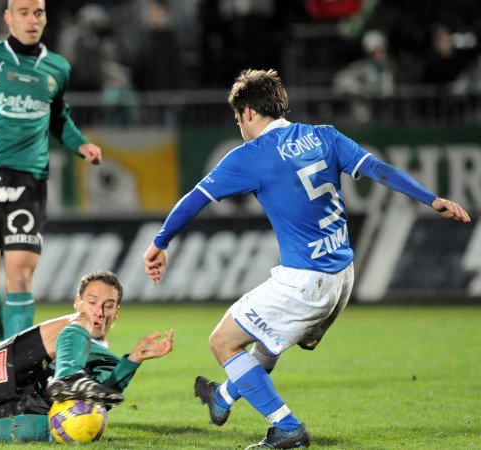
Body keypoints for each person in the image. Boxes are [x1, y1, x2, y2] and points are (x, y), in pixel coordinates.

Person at [143, 69, 471, 449]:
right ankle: (224, 398)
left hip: (306, 281)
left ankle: (287, 427)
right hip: (343, 277)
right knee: (266, 342)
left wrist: (159, 242)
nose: (240, 128)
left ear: (248, 112)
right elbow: (380, 170)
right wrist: (433, 200)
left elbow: (194, 201)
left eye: (238, 120)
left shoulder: (251, 156)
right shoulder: (324, 136)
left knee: (223, 342)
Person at [0, 0, 103, 340]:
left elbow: (58, 118)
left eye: (38, 12)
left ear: (45, 17)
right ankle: (10, 349)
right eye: (23, 12)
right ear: (8, 18)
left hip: (28, 179)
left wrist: (80, 143)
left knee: (19, 277)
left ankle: (19, 370)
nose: (32, 19)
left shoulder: (56, 68)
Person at [0, 270, 173, 442]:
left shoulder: (110, 361)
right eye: (92, 302)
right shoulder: (67, 327)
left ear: (117, 312)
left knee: (77, 426)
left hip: (5, 416)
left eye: (108, 306)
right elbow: (76, 324)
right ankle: (68, 375)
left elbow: (104, 397)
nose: (99, 312)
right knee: (74, 325)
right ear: (77, 302)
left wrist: (133, 360)